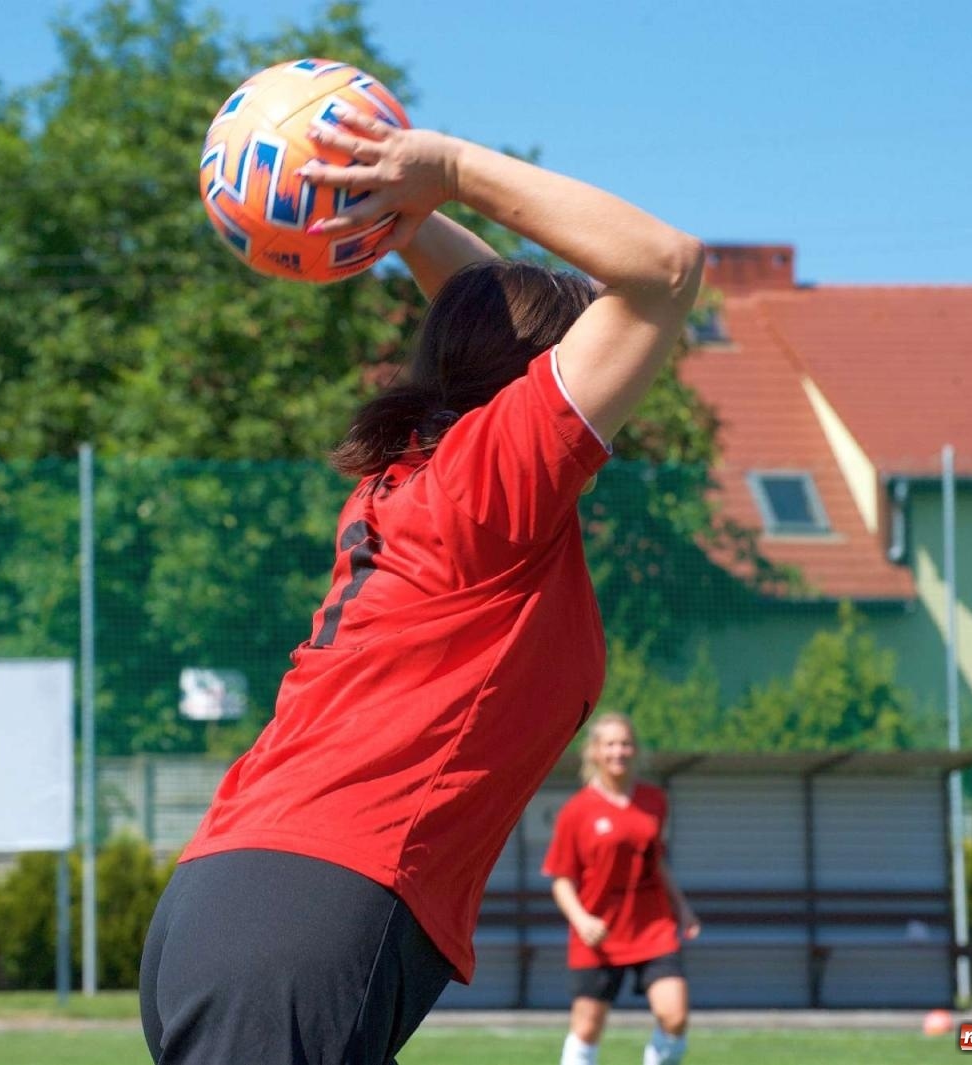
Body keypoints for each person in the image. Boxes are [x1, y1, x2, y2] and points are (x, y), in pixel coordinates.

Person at [138, 107, 704, 1065]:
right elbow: (667, 265)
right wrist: (439, 167)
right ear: (533, 382)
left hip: (247, 898)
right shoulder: (494, 476)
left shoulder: (421, 473)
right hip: (309, 912)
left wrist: (394, 209)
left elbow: (483, 316)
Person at [543, 712, 700, 1065]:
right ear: (595, 752)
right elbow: (561, 879)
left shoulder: (654, 800)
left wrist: (682, 908)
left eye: (626, 743)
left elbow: (656, 860)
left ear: (636, 750)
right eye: (611, 744)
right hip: (599, 932)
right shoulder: (576, 811)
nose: (619, 751)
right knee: (586, 1029)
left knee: (675, 1016)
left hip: (652, 926)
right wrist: (582, 921)